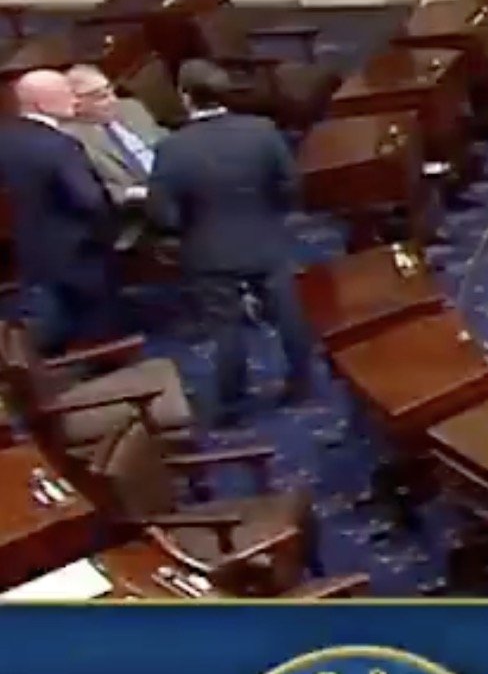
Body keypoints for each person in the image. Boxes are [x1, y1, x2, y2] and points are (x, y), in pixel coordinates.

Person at [143, 62, 317, 423]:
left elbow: (163, 214)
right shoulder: (262, 130)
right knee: (289, 315)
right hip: (266, 240)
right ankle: (304, 383)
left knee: (225, 327)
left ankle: (233, 402)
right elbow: (290, 185)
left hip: (209, 251)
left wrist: (186, 228)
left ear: (186, 97)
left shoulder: (172, 148)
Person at [0, 71, 116, 353]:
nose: (75, 99)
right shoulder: (58, 145)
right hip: (77, 254)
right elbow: (90, 200)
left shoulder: (5, 138)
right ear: (41, 104)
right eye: (66, 93)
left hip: (20, 252)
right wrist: (109, 231)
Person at [64, 65, 166, 206]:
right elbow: (96, 189)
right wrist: (135, 194)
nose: (113, 100)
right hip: (136, 205)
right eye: (101, 97)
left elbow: (167, 142)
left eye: (111, 91)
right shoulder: (70, 137)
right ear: (76, 102)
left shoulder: (132, 108)